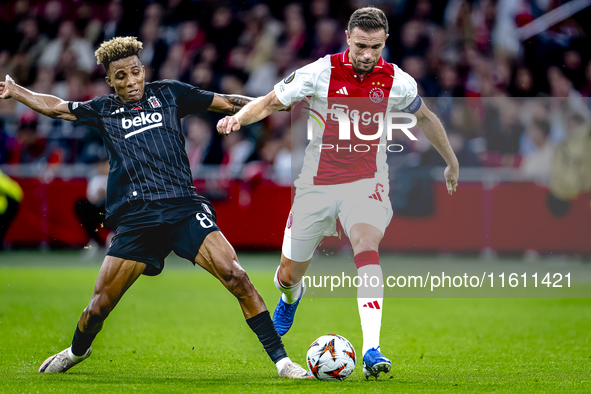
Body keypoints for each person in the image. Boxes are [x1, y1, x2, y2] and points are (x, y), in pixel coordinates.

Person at [0, 36, 311, 379]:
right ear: (109, 80)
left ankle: (283, 363)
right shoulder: (103, 110)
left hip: (183, 207)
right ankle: (77, 350)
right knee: (98, 307)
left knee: (236, 275)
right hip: (137, 219)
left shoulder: (169, 93)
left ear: (143, 69)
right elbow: (57, 106)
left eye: (135, 72)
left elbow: (227, 103)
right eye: (121, 76)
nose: (131, 82)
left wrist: (272, 102)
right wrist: (17, 92)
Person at [217, 7, 459, 379]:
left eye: (375, 47)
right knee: (287, 273)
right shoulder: (319, 73)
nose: (367, 54)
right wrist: (239, 117)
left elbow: (425, 117)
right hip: (317, 185)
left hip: (367, 183)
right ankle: (290, 297)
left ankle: (372, 349)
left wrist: (451, 161)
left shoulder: (397, 81)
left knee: (366, 245)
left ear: (385, 42)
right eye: (361, 45)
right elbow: (269, 102)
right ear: (348, 37)